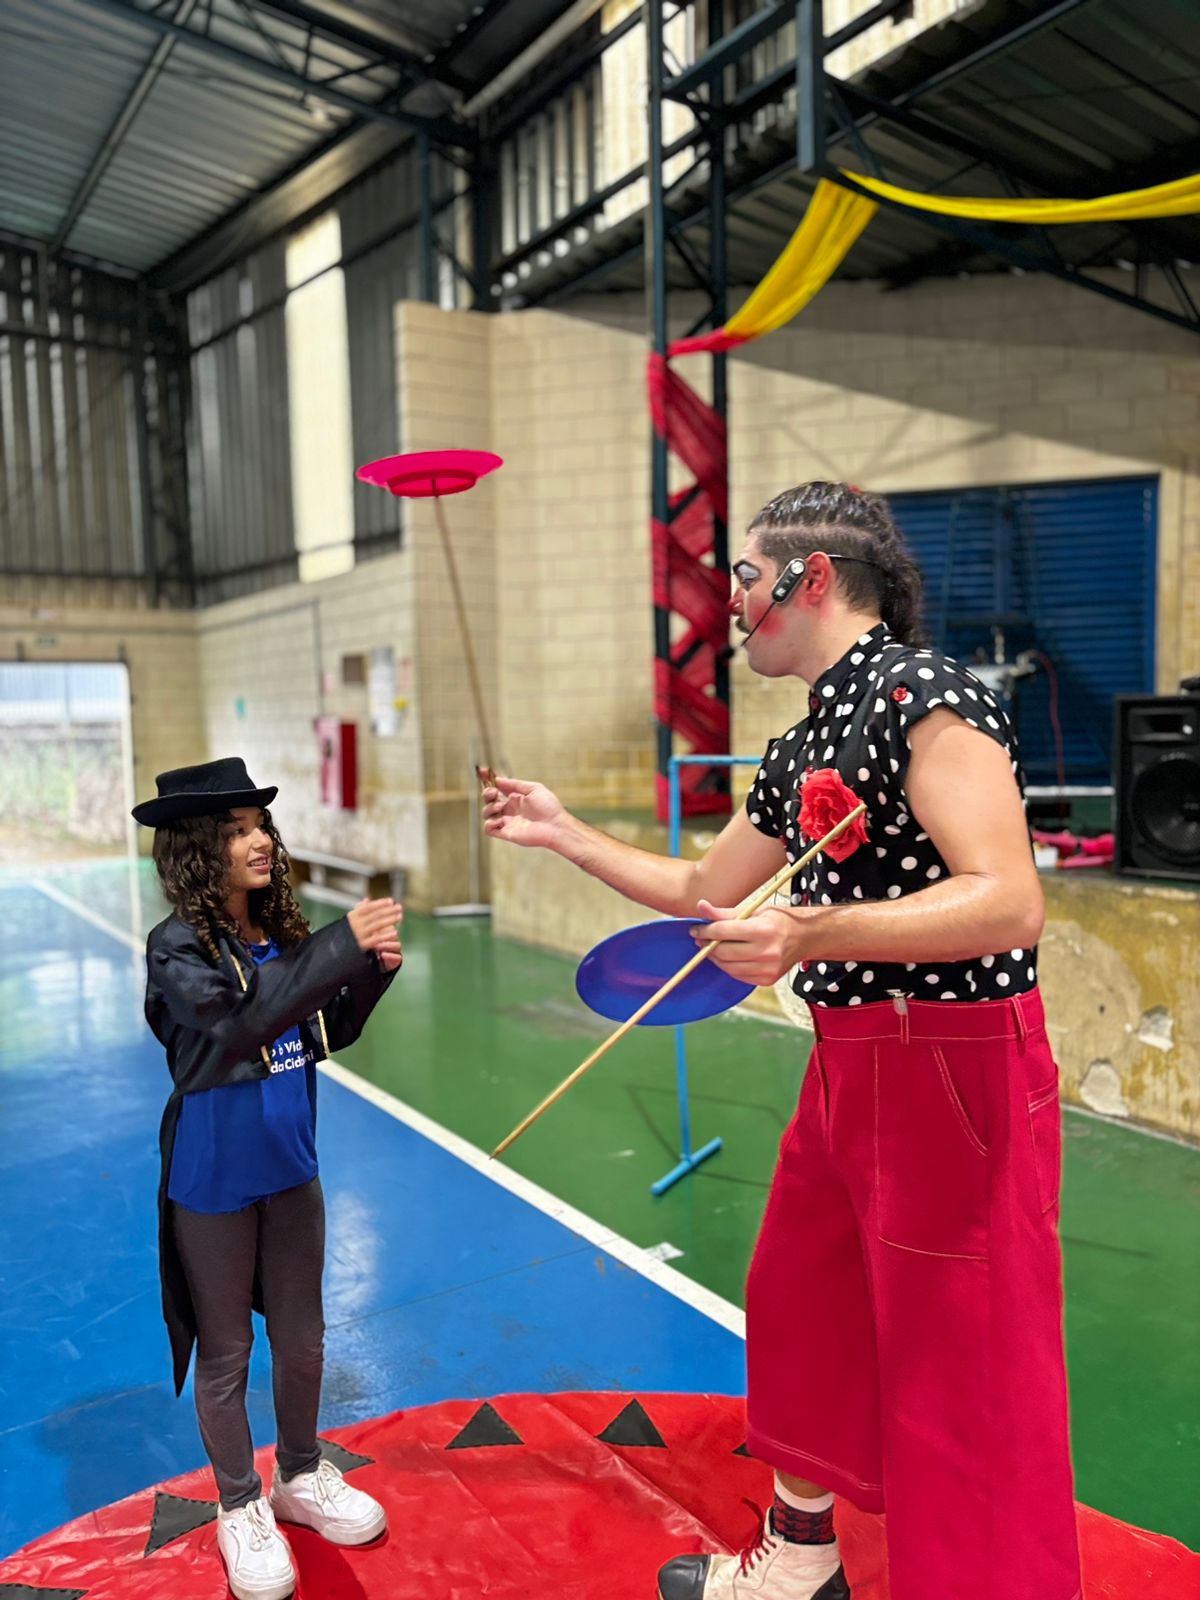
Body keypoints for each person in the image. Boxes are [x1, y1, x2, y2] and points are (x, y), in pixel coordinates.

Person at [482, 483, 1079, 1600]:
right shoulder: (806, 740)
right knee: (804, 1303)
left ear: (811, 579)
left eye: (745, 578)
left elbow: (1008, 900)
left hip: (952, 1063)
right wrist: (563, 833)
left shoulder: (927, 695)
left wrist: (812, 932)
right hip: (851, 1059)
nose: (731, 603)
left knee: (963, 1355)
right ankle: (803, 1555)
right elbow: (703, 888)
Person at [134, 756, 402, 1600]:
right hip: (214, 1180)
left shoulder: (280, 939)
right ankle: (240, 1504)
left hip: (292, 1169)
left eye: (261, 827)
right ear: (195, 849)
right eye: (237, 831)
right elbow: (241, 1024)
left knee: (304, 1336)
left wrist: (370, 973)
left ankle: (299, 1473)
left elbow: (316, 1030)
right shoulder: (177, 949)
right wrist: (338, 946)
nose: (260, 843)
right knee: (227, 1353)